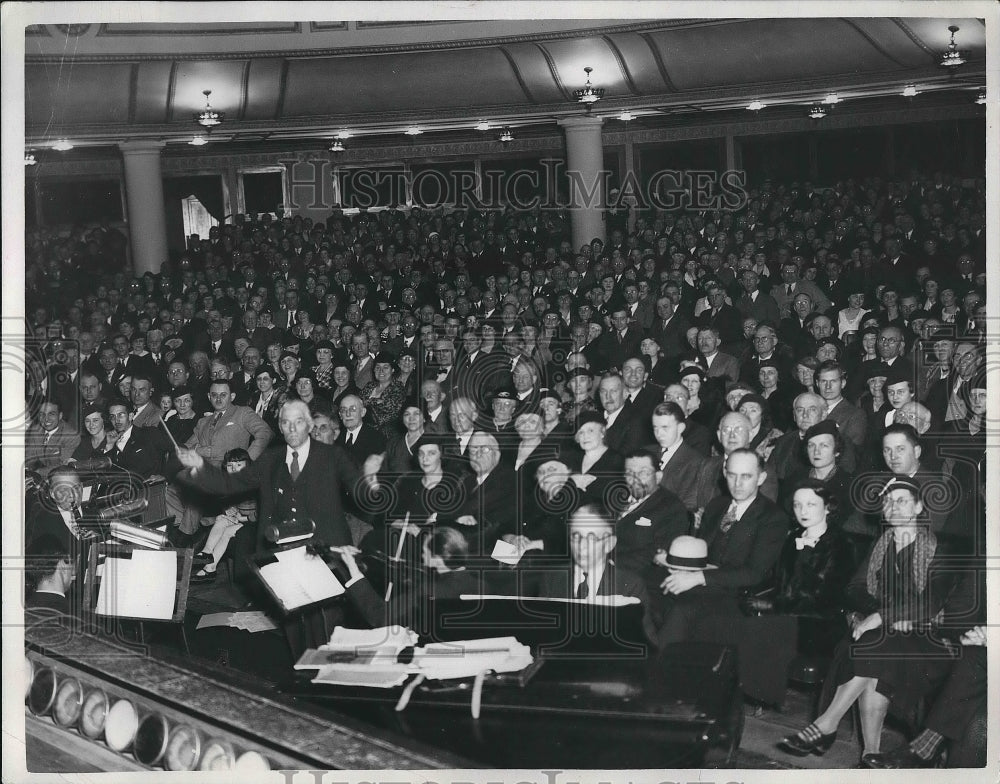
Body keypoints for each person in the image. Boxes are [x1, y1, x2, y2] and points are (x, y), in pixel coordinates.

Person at [176, 399, 382, 655]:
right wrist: (199, 467)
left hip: (326, 555)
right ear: (281, 427)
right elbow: (229, 484)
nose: (292, 428)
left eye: (298, 422)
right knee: (295, 628)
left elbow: (366, 498)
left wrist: (370, 479)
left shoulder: (332, 456)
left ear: (307, 425)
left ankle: (327, 683)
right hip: (282, 555)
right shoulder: (271, 459)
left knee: (327, 630)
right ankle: (302, 677)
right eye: (286, 423)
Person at [778, 478, 956, 761]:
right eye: (888, 501)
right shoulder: (881, 544)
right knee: (874, 648)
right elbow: (854, 589)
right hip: (884, 635)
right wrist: (880, 617)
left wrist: (881, 617)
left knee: (871, 646)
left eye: (902, 501)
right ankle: (870, 755)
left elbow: (930, 605)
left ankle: (826, 723)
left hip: (926, 637)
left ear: (919, 506)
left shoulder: (938, 549)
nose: (893, 507)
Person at [654, 449, 787, 646]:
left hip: (736, 592)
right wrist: (674, 561)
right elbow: (702, 554)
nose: (737, 483)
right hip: (702, 581)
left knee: (680, 607)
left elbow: (755, 573)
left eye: (746, 476)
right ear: (724, 474)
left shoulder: (773, 517)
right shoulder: (717, 505)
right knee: (649, 588)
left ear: (761, 478)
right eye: (732, 475)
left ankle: (654, 669)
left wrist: (698, 577)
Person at [191, 448, 258, 582]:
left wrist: (243, 518)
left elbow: (264, 510)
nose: (234, 469)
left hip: (256, 523)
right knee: (221, 519)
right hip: (241, 519)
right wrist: (229, 508)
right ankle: (207, 553)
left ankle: (210, 568)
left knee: (227, 532)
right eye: (230, 466)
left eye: (239, 465)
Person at [25, 534, 77, 615]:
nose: (74, 576)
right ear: (62, 564)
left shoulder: (19, 611)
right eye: (71, 564)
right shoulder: (74, 618)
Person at [360, 352, 406, 439]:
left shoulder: (398, 388)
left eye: (385, 367)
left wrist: (366, 403)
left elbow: (388, 413)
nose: (381, 371)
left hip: (386, 436)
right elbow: (357, 404)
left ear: (392, 370)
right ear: (373, 370)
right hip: (363, 431)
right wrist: (378, 402)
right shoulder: (369, 386)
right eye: (377, 367)